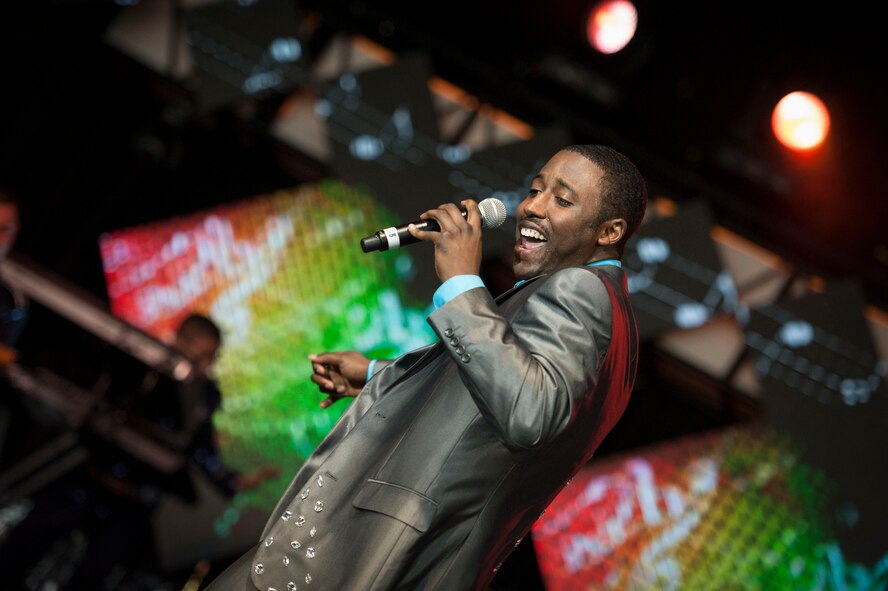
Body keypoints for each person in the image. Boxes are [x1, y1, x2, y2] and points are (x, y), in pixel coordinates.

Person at [206, 144, 647, 591]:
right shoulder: (615, 321)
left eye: (562, 199)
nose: (532, 206)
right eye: (536, 190)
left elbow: (529, 411)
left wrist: (460, 282)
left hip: (378, 549)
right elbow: (494, 394)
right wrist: (377, 373)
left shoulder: (580, 290)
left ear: (610, 230)